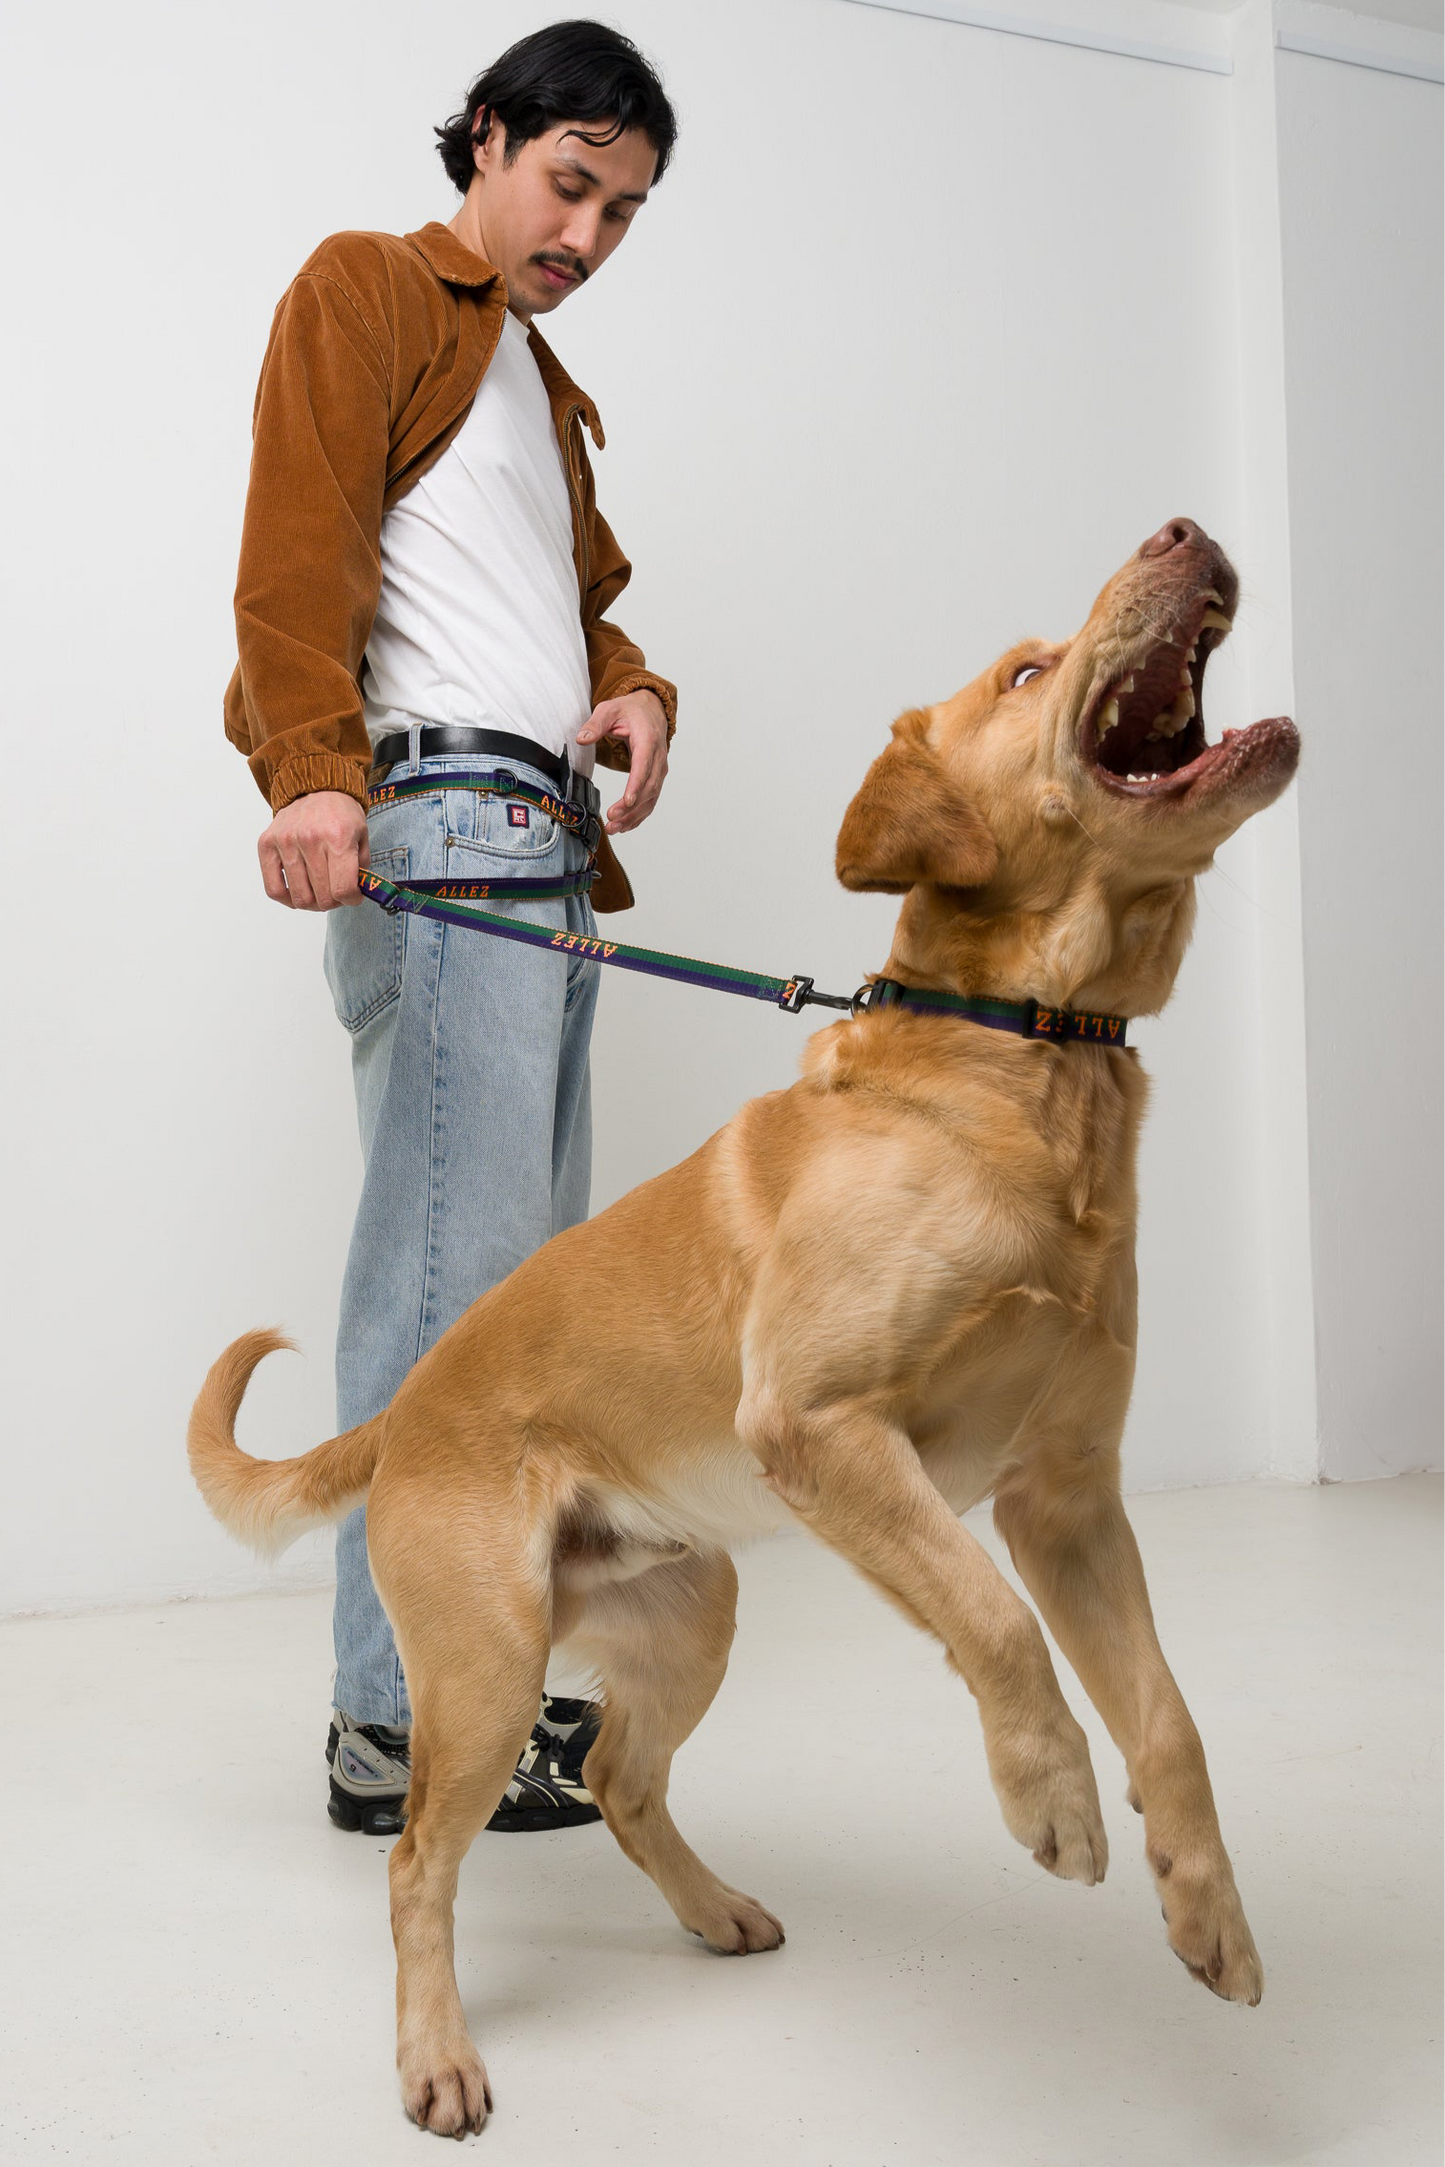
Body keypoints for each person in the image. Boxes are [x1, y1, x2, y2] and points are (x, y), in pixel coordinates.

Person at [224, 20, 679, 1835]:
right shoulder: (372, 292)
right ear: (486, 141)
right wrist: (307, 775)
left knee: (516, 1313)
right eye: (570, 181)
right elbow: (297, 545)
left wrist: (639, 691)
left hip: (546, 852)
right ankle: (390, 1723)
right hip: (439, 839)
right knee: (439, 1300)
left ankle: (469, 1689)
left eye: (625, 210)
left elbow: (576, 613)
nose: (588, 231)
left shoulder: (537, 386)